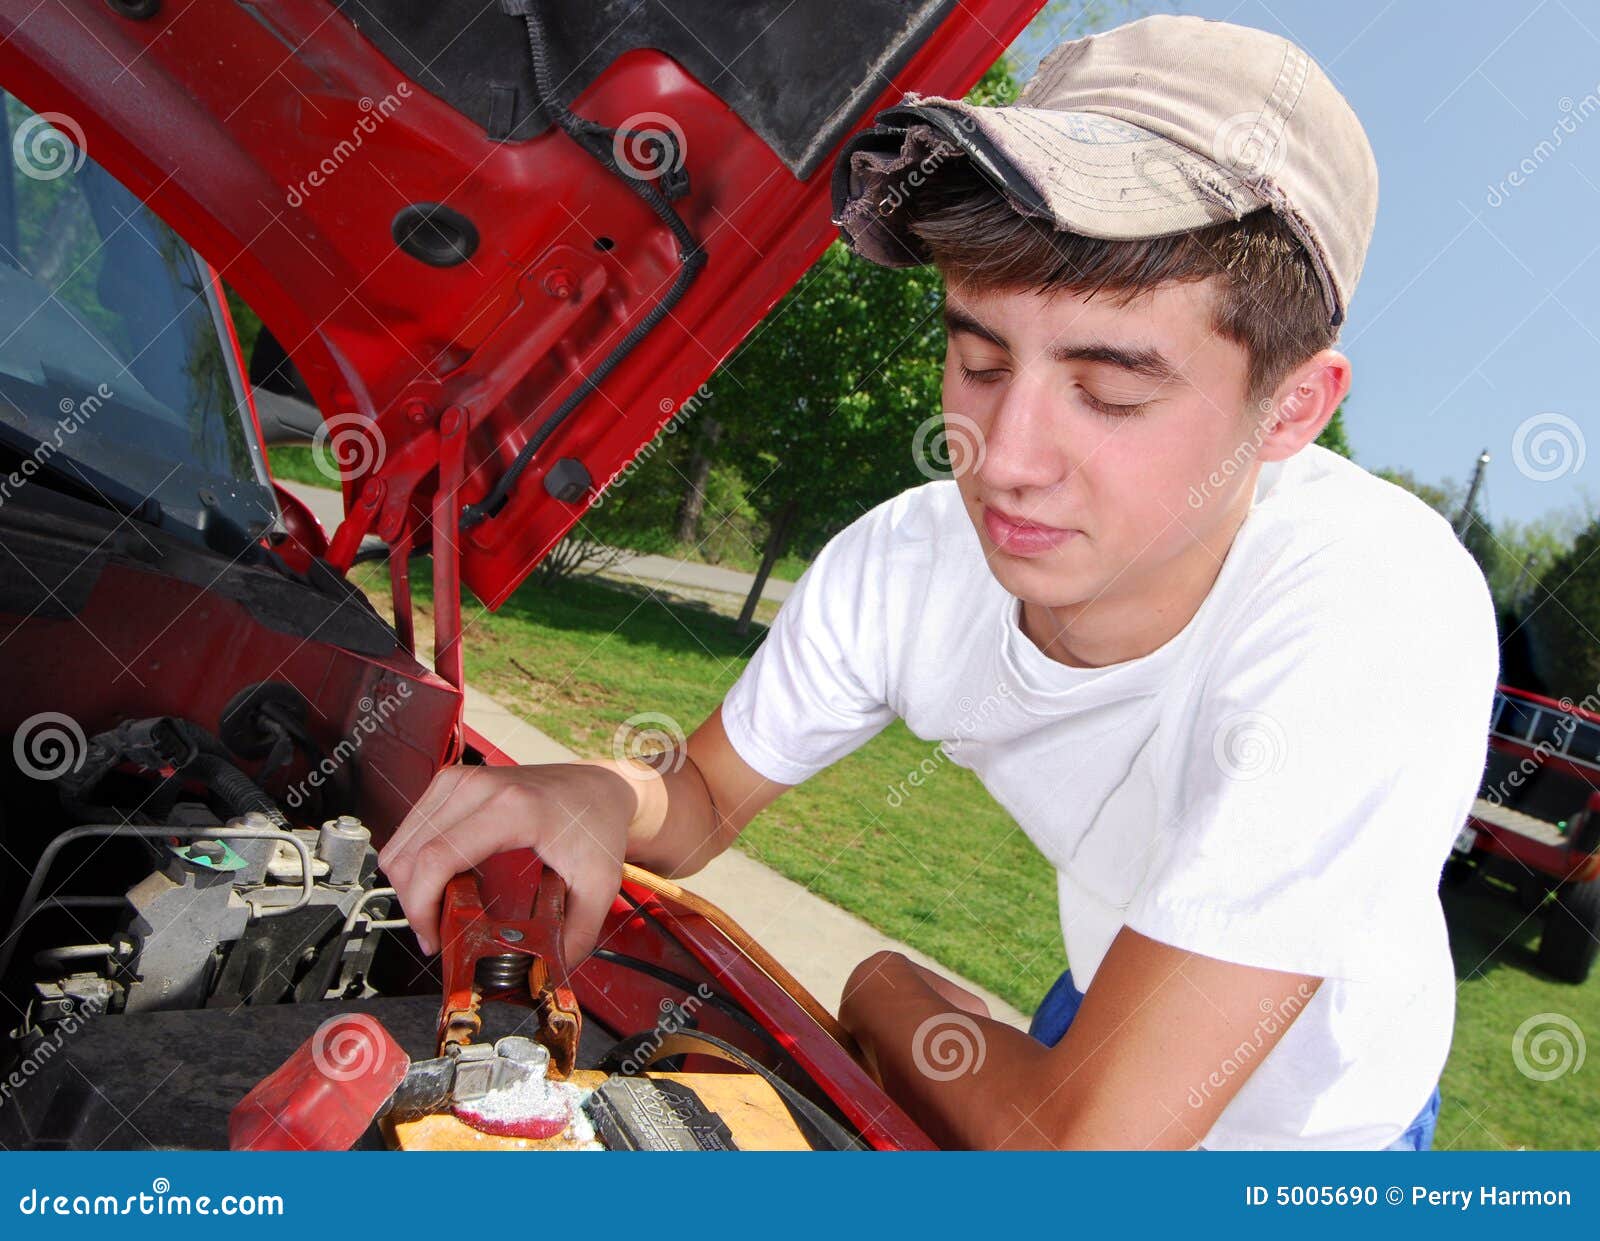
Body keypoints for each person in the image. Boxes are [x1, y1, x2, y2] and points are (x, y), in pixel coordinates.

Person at [379, 14, 1497, 1150]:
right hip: (1100, 1014)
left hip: (1325, 1134)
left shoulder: (1383, 615)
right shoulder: (909, 561)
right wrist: (607, 793)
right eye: (979, 358)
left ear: (1293, 410)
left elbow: (1089, 1158)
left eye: (1108, 390)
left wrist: (877, 987)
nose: (1000, 457)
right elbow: (703, 798)